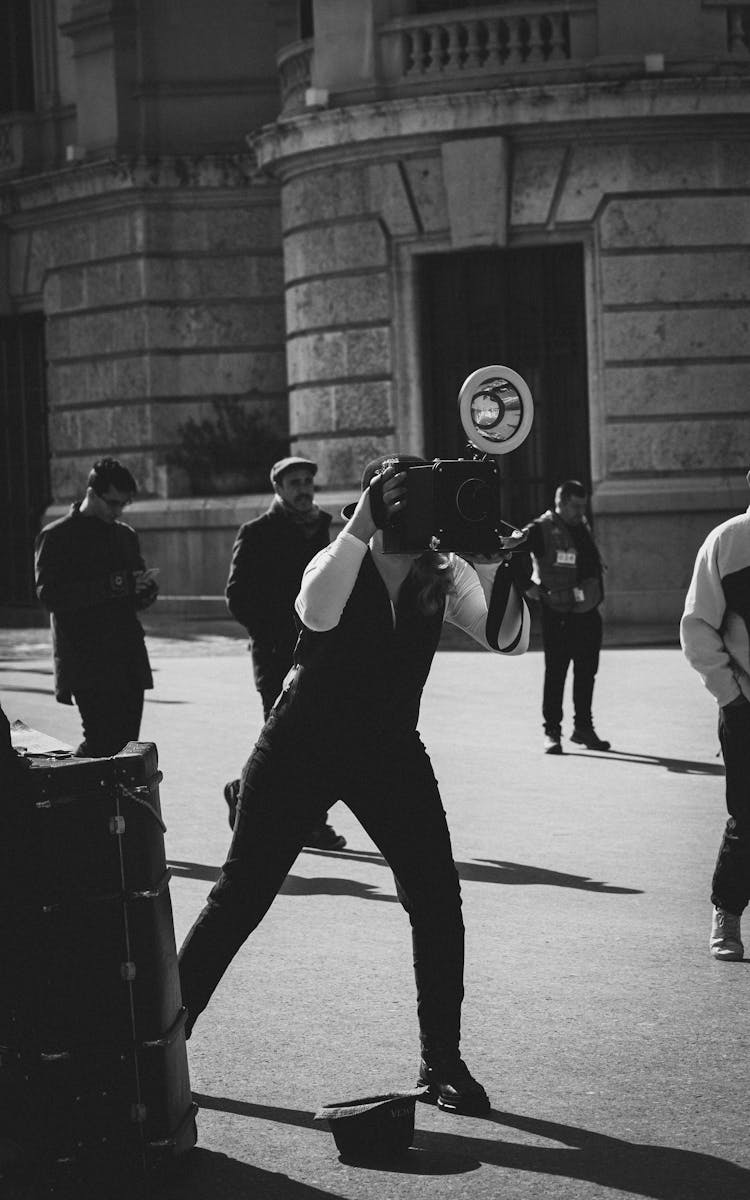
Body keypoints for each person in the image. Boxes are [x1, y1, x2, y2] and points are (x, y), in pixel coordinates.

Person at [178, 453, 531, 1115]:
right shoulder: (336, 553)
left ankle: (442, 1062)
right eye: (407, 497)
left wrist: (502, 565)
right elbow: (315, 614)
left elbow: (505, 639)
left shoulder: (441, 569)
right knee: (242, 894)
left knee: (436, 898)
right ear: (379, 500)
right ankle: (163, 1034)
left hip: (389, 748)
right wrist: (361, 524)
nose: (418, 514)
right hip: (301, 745)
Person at [223, 455, 345, 851]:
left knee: (320, 739)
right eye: (295, 482)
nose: (304, 488)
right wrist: (274, 635)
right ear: (278, 488)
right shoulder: (257, 532)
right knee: (282, 743)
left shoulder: (324, 528)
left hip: (319, 652)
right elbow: (237, 595)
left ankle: (310, 820)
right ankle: (250, 797)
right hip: (276, 654)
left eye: (308, 480)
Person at [34, 458, 158, 758]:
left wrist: (144, 590)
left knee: (126, 747)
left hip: (127, 656)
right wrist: (115, 585)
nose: (117, 512)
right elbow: (49, 595)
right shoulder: (57, 536)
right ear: (92, 492)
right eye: (113, 503)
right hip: (86, 659)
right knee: (100, 742)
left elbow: (134, 589)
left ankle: (116, 804)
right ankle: (73, 791)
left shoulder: (124, 535)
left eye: (123, 505)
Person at [680, 469, 750, 962]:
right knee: (748, 817)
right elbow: (697, 627)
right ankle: (727, 911)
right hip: (746, 707)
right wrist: (732, 697)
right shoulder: (729, 542)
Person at [522, 480, 609, 755]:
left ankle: (583, 728)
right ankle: (552, 731)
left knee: (586, 673)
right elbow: (512, 553)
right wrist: (527, 586)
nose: (580, 511)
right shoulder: (540, 528)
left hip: (587, 613)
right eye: (575, 506)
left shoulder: (581, 524)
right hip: (558, 613)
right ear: (560, 502)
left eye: (583, 505)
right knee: (557, 672)